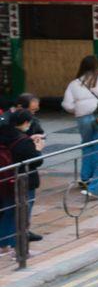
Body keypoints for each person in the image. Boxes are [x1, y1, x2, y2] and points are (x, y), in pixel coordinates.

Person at [62, 56, 98, 191]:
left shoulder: (74, 83)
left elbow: (67, 104)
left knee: (87, 146)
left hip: (83, 118)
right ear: (97, 65)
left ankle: (85, 178)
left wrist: (77, 109)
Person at [1, 107, 44, 251]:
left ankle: (3, 245)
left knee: (8, 212)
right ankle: (16, 249)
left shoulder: (4, 134)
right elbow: (36, 161)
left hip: (6, 181)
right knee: (21, 215)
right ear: (26, 122)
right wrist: (38, 149)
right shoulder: (23, 142)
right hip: (23, 181)